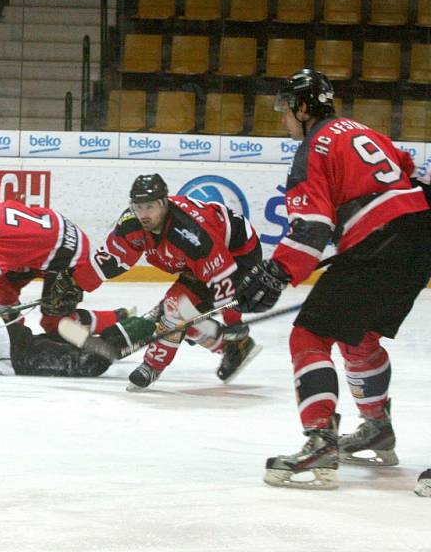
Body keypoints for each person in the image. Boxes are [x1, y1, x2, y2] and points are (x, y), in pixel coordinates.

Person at [234, 69, 431, 492]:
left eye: (286, 109)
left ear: (304, 108)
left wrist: (278, 271)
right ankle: (377, 426)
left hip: (381, 241)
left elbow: (311, 227)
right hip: (418, 236)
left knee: (308, 336)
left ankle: (320, 440)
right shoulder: (364, 131)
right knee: (359, 336)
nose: (283, 118)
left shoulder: (312, 148)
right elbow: (412, 174)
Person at [71, 173, 263, 391]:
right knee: (180, 312)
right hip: (200, 265)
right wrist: (75, 283)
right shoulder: (131, 224)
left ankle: (152, 366)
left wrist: (233, 320)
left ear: (164, 203)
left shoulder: (190, 234)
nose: (143, 214)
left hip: (238, 256)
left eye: (150, 206)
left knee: (175, 309)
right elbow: (109, 260)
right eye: (138, 206)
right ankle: (233, 348)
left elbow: (222, 275)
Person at [0, 196, 127, 336]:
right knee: (2, 284)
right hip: (47, 241)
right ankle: (13, 328)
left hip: (67, 255)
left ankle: (117, 319)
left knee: (55, 324)